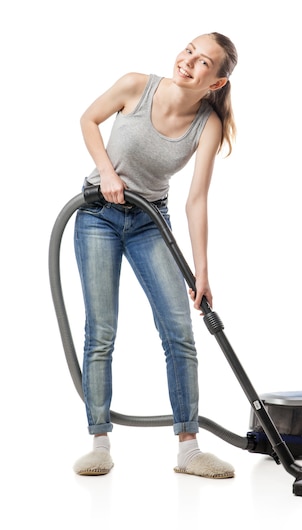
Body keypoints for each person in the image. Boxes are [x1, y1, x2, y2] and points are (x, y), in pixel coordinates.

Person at [72, 32, 238, 478]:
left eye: (204, 62)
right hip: (97, 216)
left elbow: (196, 200)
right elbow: (89, 120)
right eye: (189, 50)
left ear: (216, 83)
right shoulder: (135, 85)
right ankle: (99, 442)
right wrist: (107, 172)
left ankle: (189, 450)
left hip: (151, 223)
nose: (189, 61)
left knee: (179, 332)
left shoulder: (209, 124)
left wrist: (201, 272)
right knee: (101, 331)